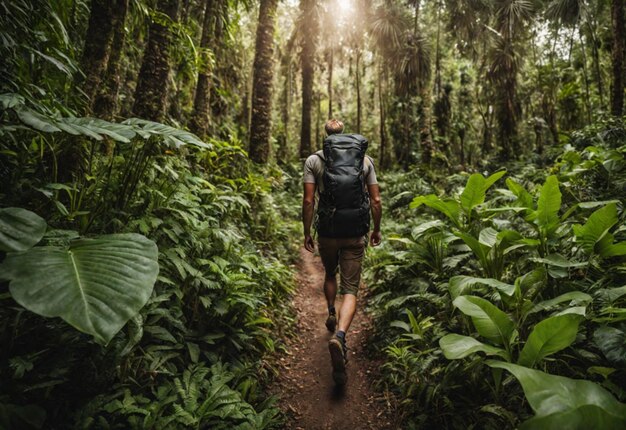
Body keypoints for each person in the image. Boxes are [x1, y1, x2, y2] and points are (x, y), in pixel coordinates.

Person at [302, 118, 382, 385]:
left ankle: (330, 310)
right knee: (351, 289)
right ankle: (340, 336)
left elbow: (309, 200)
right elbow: (376, 199)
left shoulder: (314, 161)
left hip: (327, 231)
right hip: (355, 232)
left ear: (325, 135)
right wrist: (376, 229)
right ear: (344, 135)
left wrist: (307, 232)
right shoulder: (365, 161)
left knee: (329, 272)